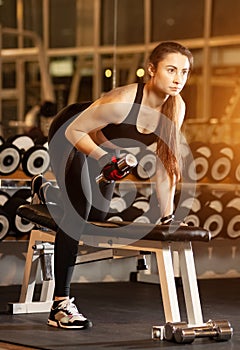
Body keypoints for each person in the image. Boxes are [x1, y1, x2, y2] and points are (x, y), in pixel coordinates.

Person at [41, 41, 193, 329]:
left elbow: (165, 164)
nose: (178, 79)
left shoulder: (176, 107)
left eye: (184, 72)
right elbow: (76, 131)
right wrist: (105, 156)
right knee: (77, 215)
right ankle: (60, 305)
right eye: (171, 70)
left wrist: (168, 217)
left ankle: (46, 192)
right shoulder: (122, 101)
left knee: (97, 218)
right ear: (151, 69)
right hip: (70, 132)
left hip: (103, 142)